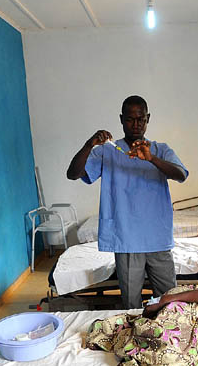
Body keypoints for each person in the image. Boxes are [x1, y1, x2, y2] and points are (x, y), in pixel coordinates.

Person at [67, 95, 188, 309]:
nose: (136, 124)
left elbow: (181, 175)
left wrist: (151, 159)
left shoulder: (159, 150)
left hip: (157, 238)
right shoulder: (108, 151)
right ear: (122, 120)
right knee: (131, 304)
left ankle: (168, 337)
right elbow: (73, 173)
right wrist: (89, 145)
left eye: (140, 119)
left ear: (148, 119)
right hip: (127, 239)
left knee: (170, 301)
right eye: (130, 119)